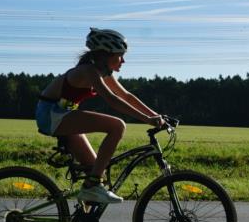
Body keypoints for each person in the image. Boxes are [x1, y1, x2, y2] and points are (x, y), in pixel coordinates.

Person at [36, 28, 165, 208]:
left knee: (96, 170)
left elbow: (126, 96)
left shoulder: (103, 73)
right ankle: (92, 186)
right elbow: (112, 100)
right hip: (51, 115)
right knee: (117, 126)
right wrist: (146, 119)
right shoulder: (88, 70)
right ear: (106, 55)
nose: (124, 60)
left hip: (62, 115)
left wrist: (155, 115)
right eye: (120, 55)